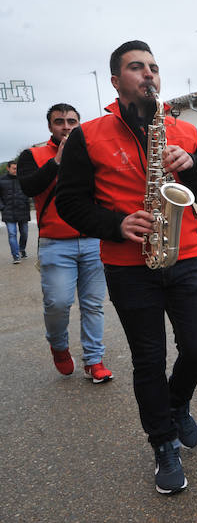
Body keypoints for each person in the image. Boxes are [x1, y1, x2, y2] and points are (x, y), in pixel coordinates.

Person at [56, 40, 197, 495]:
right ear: (116, 81)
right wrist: (115, 223)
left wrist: (191, 168)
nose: (148, 73)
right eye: (136, 67)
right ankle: (163, 442)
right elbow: (69, 202)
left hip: (185, 255)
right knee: (148, 359)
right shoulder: (88, 136)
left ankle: (177, 404)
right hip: (128, 265)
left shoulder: (186, 132)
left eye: (153, 66)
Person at [17, 103, 111, 382]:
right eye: (60, 122)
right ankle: (58, 346)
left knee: (93, 304)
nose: (66, 126)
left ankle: (94, 361)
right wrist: (57, 161)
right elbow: (28, 187)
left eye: (72, 121)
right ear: (50, 127)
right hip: (56, 243)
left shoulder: (91, 150)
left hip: (93, 240)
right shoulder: (32, 155)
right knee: (58, 304)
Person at [0, 161, 31, 264]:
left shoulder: (23, 179)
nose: (16, 171)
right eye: (14, 168)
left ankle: (22, 249)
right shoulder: (1, 180)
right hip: (8, 212)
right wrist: (2, 207)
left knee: (25, 233)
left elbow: (29, 191)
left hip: (23, 211)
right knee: (12, 234)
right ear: (8, 168)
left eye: (17, 168)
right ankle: (16, 256)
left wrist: (27, 203)